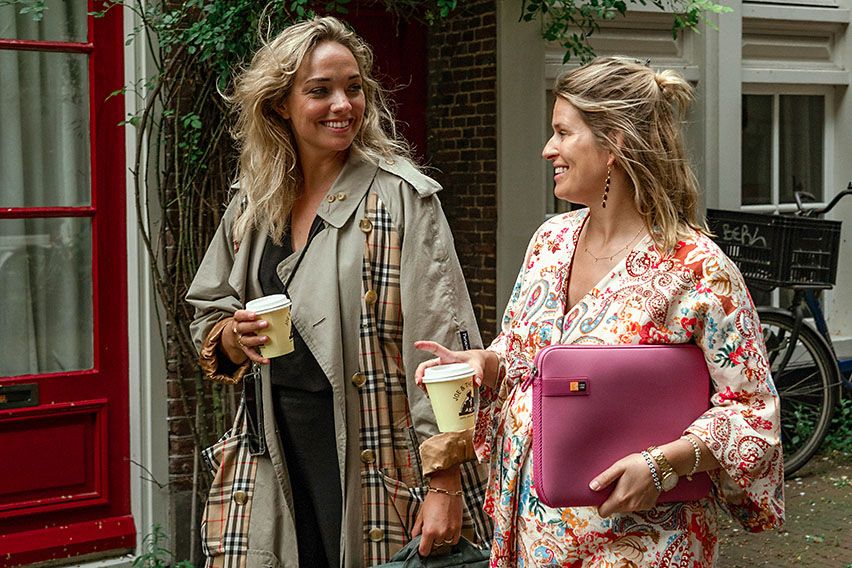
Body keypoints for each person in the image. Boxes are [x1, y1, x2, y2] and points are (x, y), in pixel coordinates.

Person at [416, 56, 784, 566]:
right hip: (532, 536)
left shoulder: (697, 268)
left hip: (644, 544)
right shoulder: (551, 241)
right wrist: (485, 364)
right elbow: (524, 354)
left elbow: (753, 415)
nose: (548, 149)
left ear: (615, 144)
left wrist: (662, 464)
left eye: (563, 133)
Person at [186, 16, 492, 568]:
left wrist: (444, 484)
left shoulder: (401, 198)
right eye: (320, 91)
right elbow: (210, 309)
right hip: (275, 451)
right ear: (280, 104)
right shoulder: (255, 202)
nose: (343, 105)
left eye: (353, 88)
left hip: (375, 457)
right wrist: (232, 336)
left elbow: (444, 353)